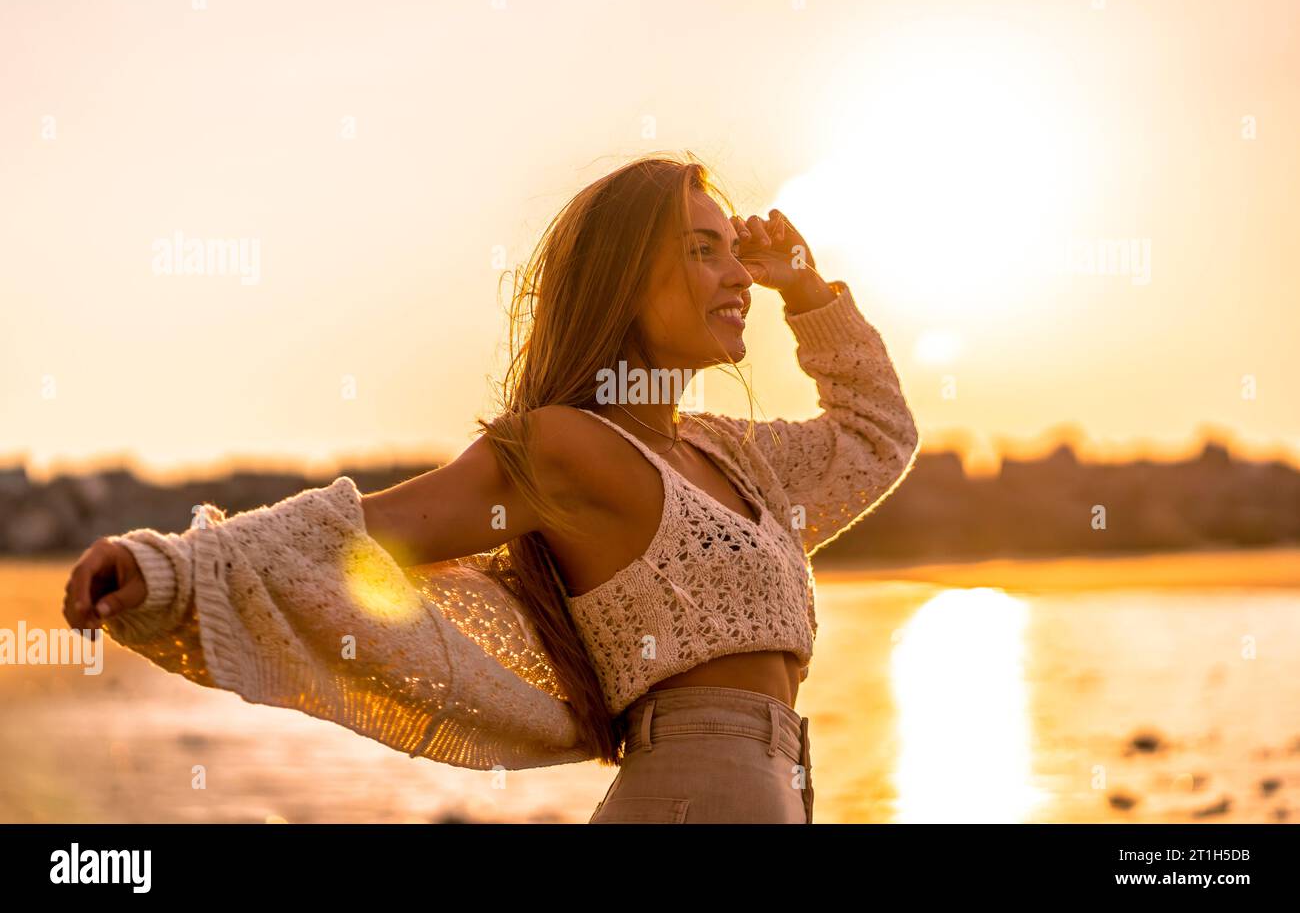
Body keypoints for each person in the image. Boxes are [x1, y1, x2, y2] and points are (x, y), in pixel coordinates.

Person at [61, 153, 921, 823]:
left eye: (737, 254)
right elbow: (361, 536)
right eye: (702, 252)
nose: (739, 278)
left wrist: (807, 290)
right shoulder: (566, 446)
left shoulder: (737, 458)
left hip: (782, 788)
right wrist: (171, 566)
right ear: (622, 277)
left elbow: (877, 435)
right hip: (694, 795)